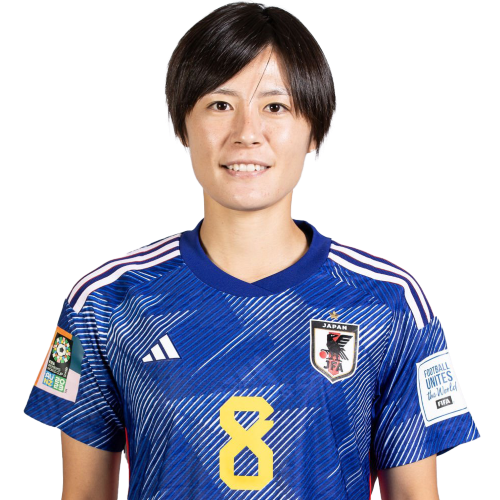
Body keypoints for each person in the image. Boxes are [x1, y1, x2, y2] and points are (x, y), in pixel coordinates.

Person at [23, 1, 480, 499]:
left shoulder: (388, 301)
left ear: (314, 129)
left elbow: (415, 496)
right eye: (220, 105)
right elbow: (83, 494)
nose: (246, 133)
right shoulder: (107, 300)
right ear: (181, 126)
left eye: (275, 107)